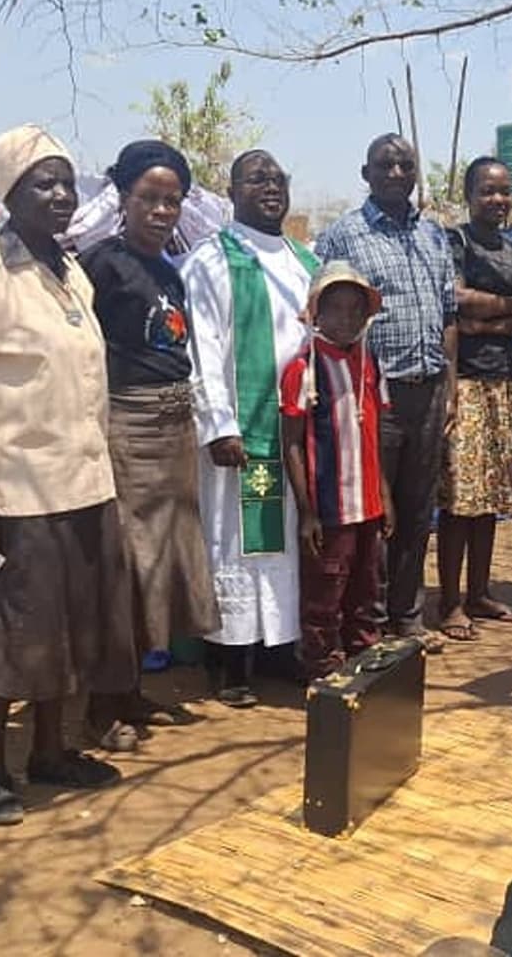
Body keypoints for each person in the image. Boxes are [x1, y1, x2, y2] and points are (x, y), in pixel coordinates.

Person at [0, 124, 135, 825]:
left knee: (71, 629)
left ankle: (50, 751)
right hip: (18, 493)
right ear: (9, 194)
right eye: (42, 183)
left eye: (66, 182)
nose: (59, 195)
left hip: (86, 487)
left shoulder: (73, 272)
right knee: (10, 639)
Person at [79, 140, 216, 748]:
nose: (162, 212)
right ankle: (100, 709)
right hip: (126, 427)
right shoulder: (99, 266)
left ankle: (131, 691)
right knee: (127, 568)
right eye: (150, 199)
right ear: (123, 198)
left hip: (174, 426)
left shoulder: (170, 269)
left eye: (173, 201)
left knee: (160, 568)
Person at [182, 149, 319, 707]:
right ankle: (229, 659)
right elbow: (202, 348)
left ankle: (278, 648)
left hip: (298, 433)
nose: (270, 187)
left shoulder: (306, 260)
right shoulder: (212, 260)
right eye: (256, 179)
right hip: (243, 429)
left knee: (287, 540)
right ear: (231, 191)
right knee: (233, 542)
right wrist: (218, 424)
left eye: (278, 178)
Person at [314, 134, 458, 653]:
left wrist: (452, 384)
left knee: (419, 512)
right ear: (366, 172)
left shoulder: (434, 236)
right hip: (374, 394)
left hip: (428, 390)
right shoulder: (342, 237)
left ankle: (408, 618)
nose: (397, 172)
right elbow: (322, 317)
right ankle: (366, 625)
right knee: (375, 512)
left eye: (406, 164)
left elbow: (448, 316)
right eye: (386, 165)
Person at [436, 158, 512, 641]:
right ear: (468, 194)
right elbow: (455, 299)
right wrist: (511, 305)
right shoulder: (453, 243)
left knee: (490, 501)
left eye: (505, 192)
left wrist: (492, 322)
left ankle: (479, 593)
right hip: (466, 383)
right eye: (487, 191)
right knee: (459, 501)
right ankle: (449, 601)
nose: (498, 200)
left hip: (509, 384)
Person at [280, 262, 393, 678]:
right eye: (336, 309)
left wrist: (384, 494)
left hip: (368, 505)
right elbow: (291, 441)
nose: (346, 318)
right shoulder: (302, 369)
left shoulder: (369, 362)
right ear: (316, 314)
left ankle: (365, 661)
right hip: (328, 507)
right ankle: (322, 668)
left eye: (354, 310)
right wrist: (307, 511)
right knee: (324, 592)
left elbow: (375, 432)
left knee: (367, 587)